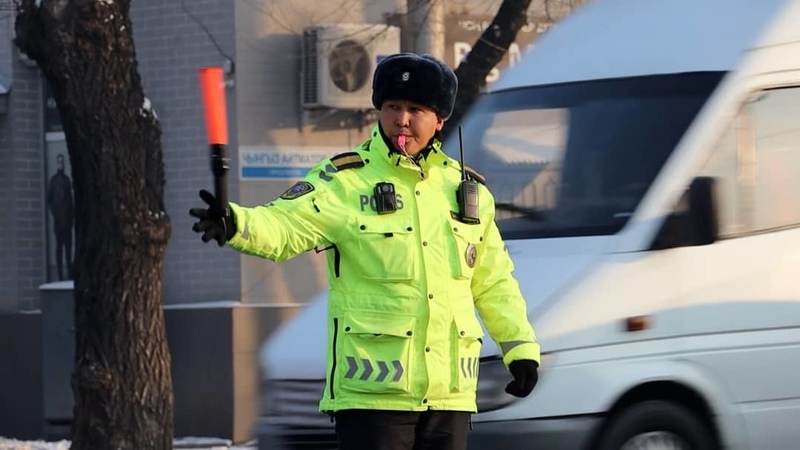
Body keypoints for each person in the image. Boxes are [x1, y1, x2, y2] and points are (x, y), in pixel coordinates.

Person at [190, 53, 540, 450]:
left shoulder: (467, 192)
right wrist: (237, 223)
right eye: (392, 107)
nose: (401, 120)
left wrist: (519, 348)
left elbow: (493, 282)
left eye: (415, 110)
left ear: (439, 119)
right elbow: (285, 224)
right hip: (373, 397)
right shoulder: (345, 181)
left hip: (449, 396)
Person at [47, 153, 74, 281]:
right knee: (59, 248)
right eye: (58, 162)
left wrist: (71, 217)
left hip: (67, 220)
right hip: (58, 221)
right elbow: (50, 200)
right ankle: (60, 275)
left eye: (62, 162)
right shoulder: (53, 181)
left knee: (68, 248)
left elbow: (70, 200)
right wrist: (56, 214)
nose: (60, 165)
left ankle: (69, 272)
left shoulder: (66, 180)